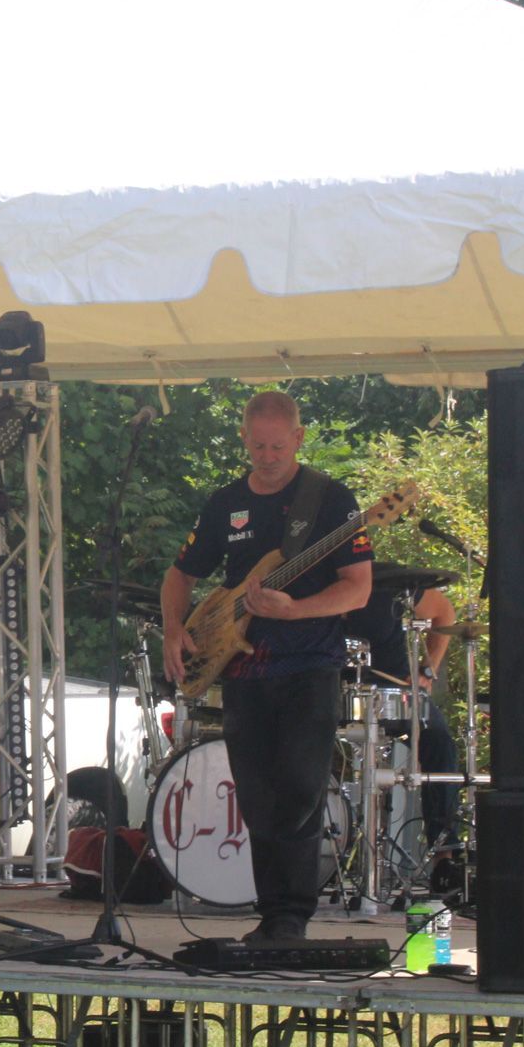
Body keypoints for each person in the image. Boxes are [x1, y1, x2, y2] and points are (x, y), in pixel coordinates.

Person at [161, 391, 373, 942]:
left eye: (279, 445)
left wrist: (296, 608)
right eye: (258, 445)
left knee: (300, 787)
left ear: (299, 439)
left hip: (309, 666)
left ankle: (290, 916)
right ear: (244, 440)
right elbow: (180, 573)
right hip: (242, 671)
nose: (268, 455)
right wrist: (174, 628)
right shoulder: (225, 502)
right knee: (255, 793)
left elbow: (358, 588)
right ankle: (272, 913)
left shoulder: (329, 499)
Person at [342, 578, 462, 850]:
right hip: (332, 694)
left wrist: (427, 670)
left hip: (394, 692)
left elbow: (444, 611)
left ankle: (445, 849)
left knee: (439, 741)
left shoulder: (389, 581)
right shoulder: (310, 583)